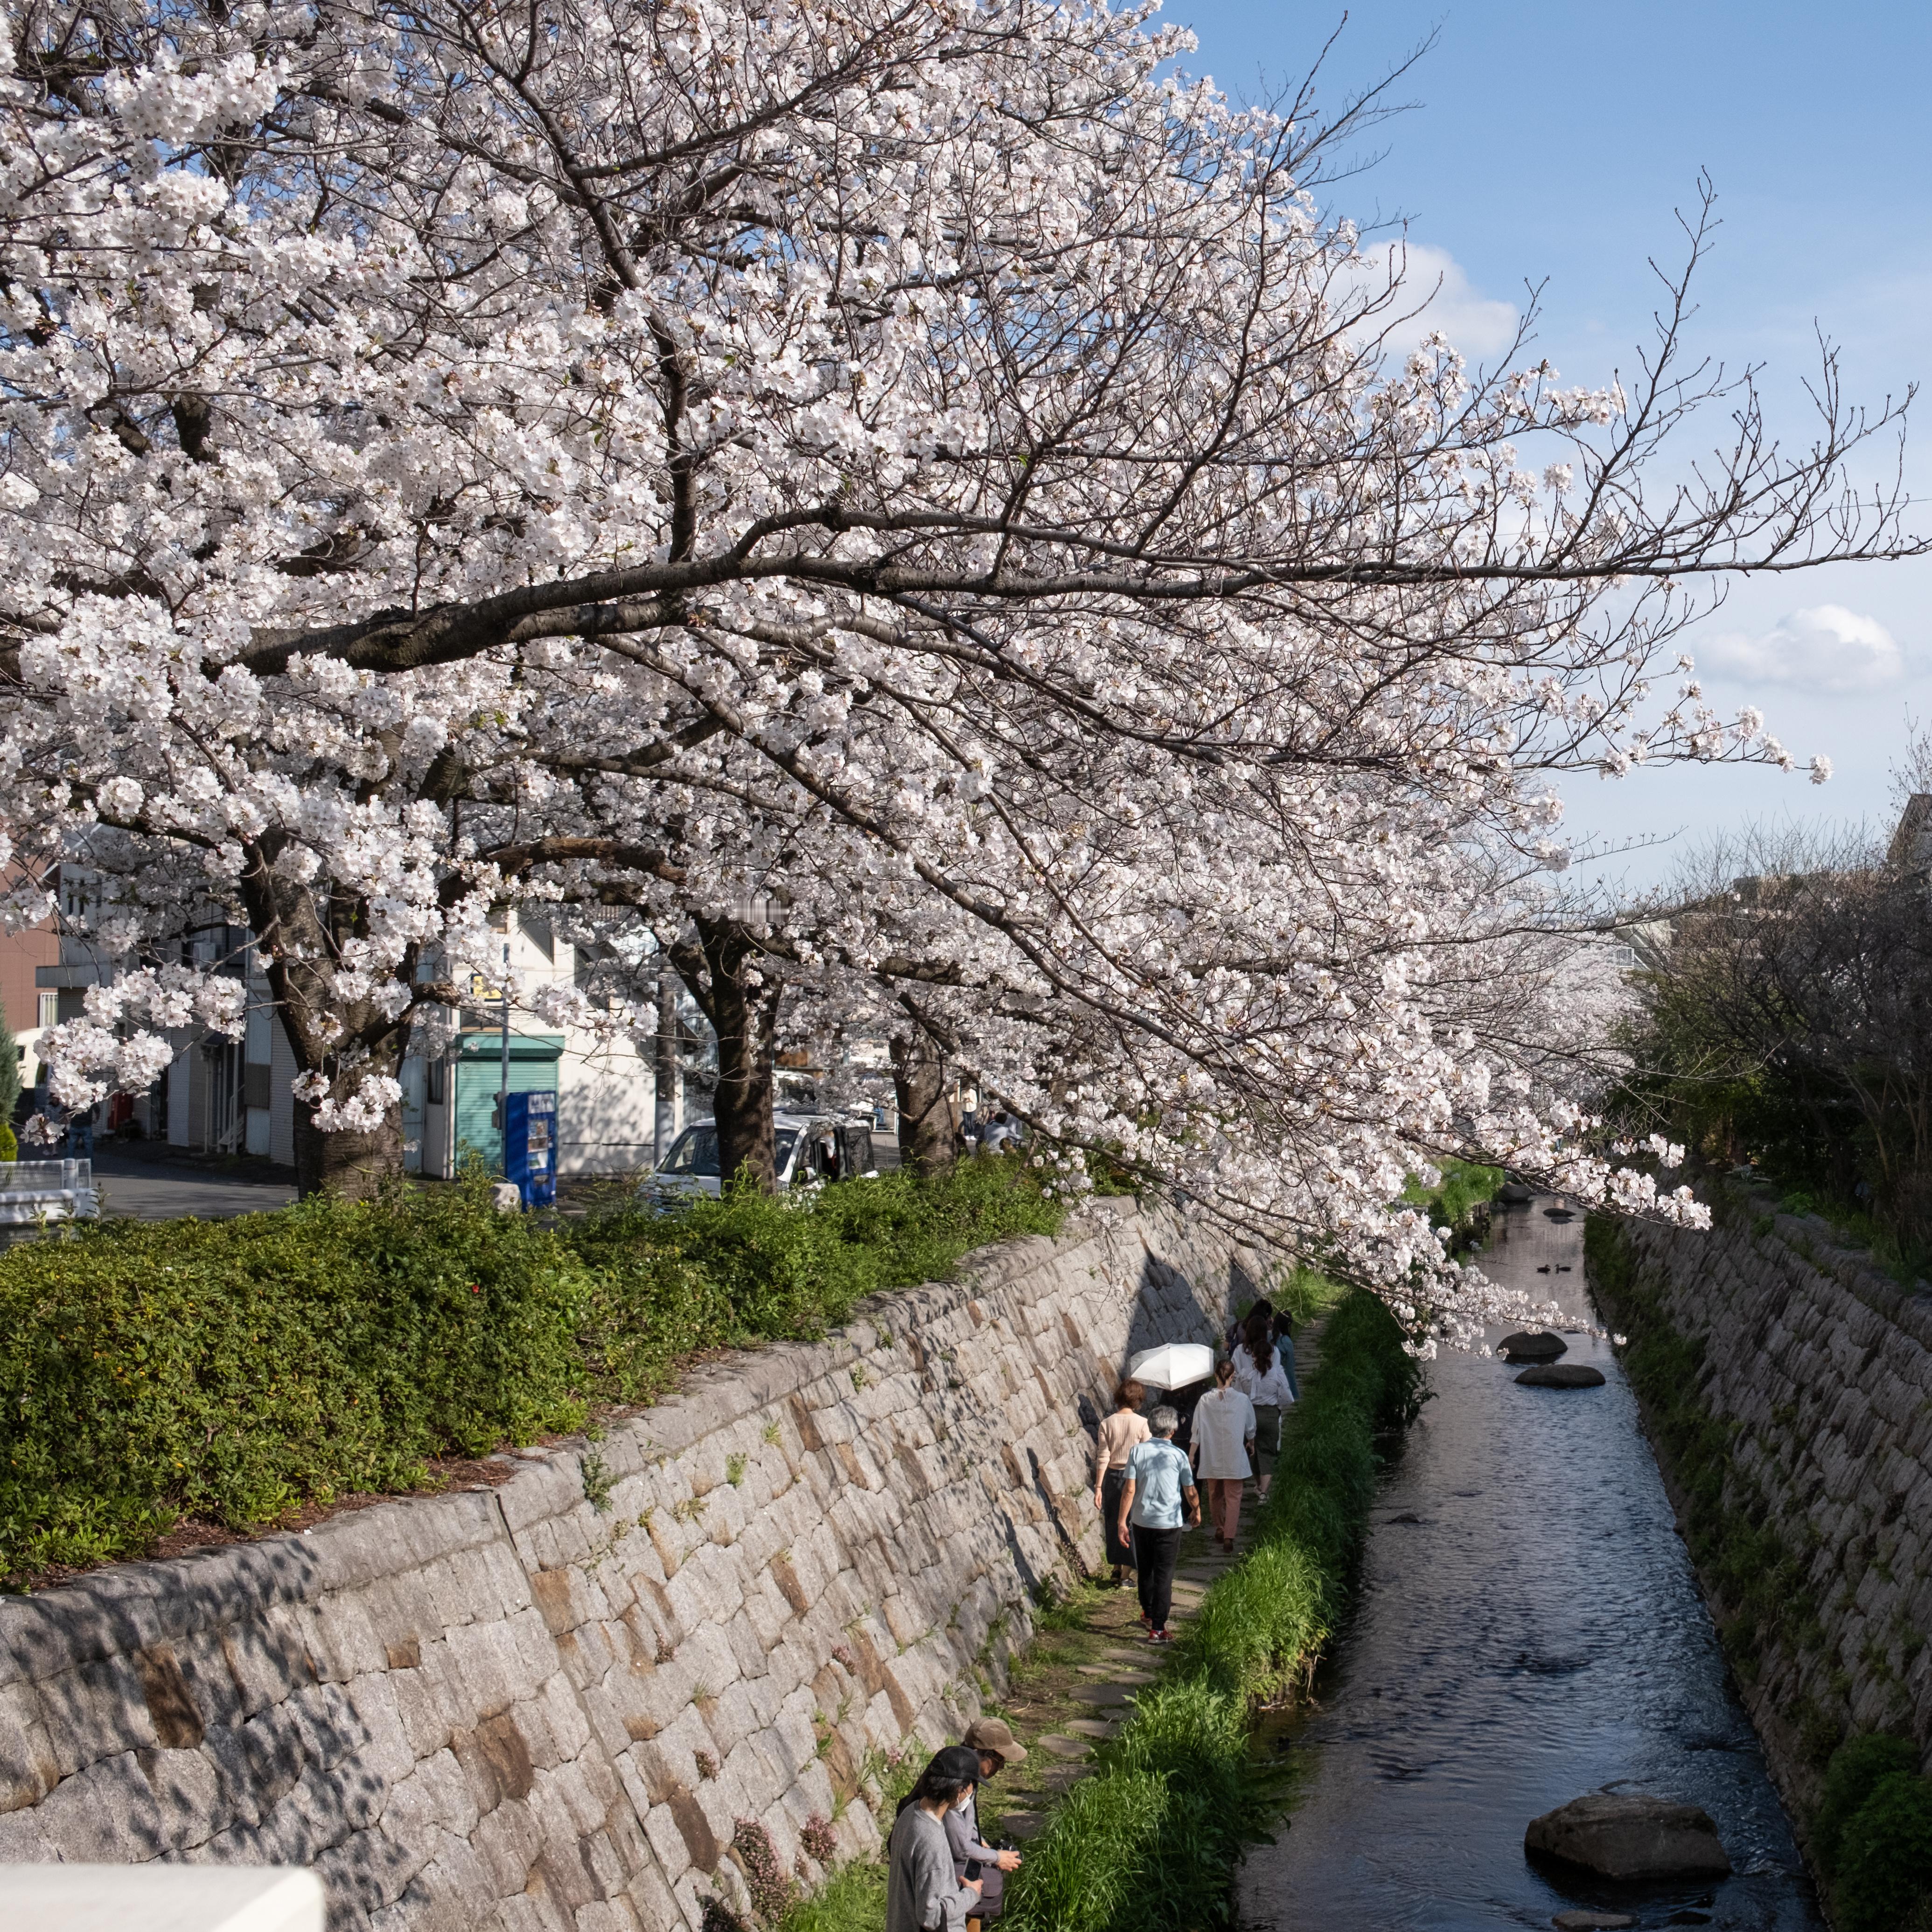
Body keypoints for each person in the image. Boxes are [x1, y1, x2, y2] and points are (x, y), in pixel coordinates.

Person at [1116, 1405, 1200, 1642]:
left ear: (1151, 1428)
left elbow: (1129, 1489)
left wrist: (1122, 1521)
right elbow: (1190, 1490)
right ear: (1172, 1431)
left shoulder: (1137, 1452)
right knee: (1164, 1574)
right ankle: (1159, 1629)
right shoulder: (1179, 1456)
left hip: (1142, 1521)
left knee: (1146, 1569)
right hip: (1169, 1524)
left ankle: (1149, 1613)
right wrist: (1197, 1510)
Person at [888, 1747, 986, 1932]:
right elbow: (931, 1916)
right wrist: (971, 1894)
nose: (973, 1791)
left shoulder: (910, 1813)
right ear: (960, 1790)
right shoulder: (931, 1840)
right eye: (973, 1785)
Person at [946, 1719, 1027, 1920]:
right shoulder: (956, 1784)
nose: (1001, 1768)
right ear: (987, 1755)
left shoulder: (964, 1772)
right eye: (1001, 1762)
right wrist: (997, 1858)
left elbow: (966, 1825)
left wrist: (984, 1846)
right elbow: (961, 1848)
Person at [1189, 1357, 1256, 1552]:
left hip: (1212, 1455)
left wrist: (1192, 1455)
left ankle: (1219, 1526)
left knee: (1215, 1494)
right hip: (1235, 1455)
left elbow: (1197, 1431)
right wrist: (1251, 1442)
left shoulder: (1204, 1400)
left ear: (1216, 1376)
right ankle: (1229, 1535)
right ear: (1233, 1376)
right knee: (1234, 1497)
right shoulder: (1243, 1400)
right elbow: (1250, 1427)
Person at [1232, 1307, 1296, 1500]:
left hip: (1247, 1408)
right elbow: (1278, 1379)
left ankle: (1259, 1486)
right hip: (1270, 1409)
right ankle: (1264, 1491)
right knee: (1268, 1450)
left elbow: (1235, 1378)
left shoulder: (1239, 1353)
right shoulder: (1273, 1353)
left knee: (1252, 1448)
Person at [1092, 1378, 1151, 1586]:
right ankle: (1126, 1574)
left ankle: (1116, 1568)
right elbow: (1147, 1454)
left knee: (1113, 1521)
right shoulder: (1142, 1423)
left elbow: (1103, 1456)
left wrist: (1099, 1486)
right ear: (1138, 1400)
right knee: (1131, 1523)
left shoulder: (1107, 1423)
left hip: (1113, 1477)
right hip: (1134, 1478)